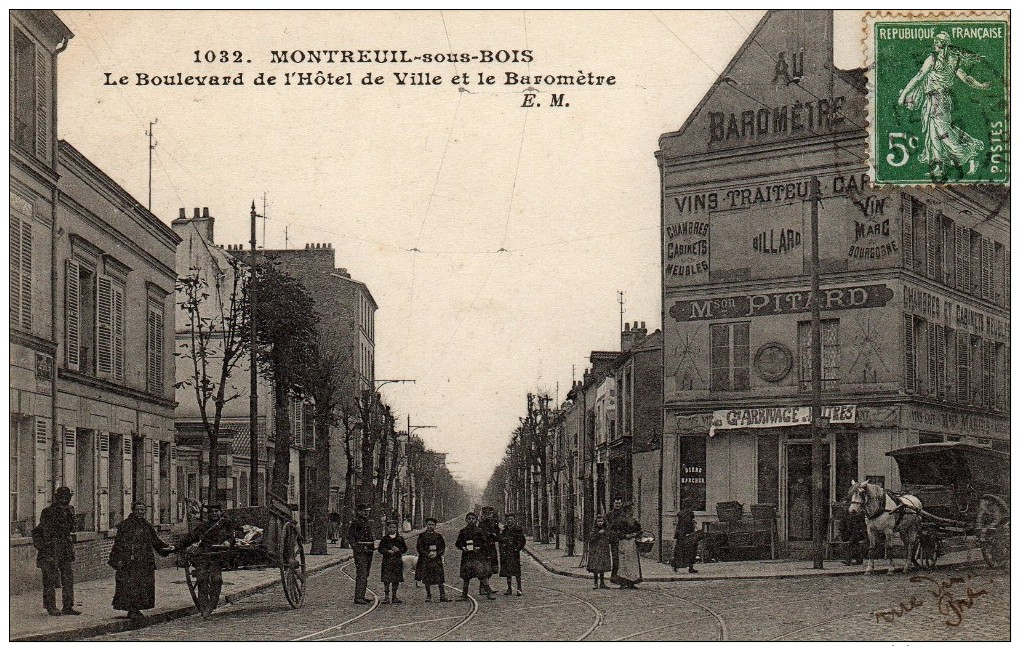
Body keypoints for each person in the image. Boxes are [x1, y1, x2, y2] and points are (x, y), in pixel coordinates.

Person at [898, 32, 991, 177]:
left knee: (943, 133)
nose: (936, 42)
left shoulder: (933, 59)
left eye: (937, 40)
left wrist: (903, 94)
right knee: (933, 132)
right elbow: (966, 78)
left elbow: (918, 77)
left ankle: (971, 155)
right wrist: (981, 86)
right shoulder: (952, 60)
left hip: (937, 99)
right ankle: (938, 167)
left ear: (939, 43)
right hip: (938, 99)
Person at [108, 501, 175, 620]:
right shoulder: (125, 525)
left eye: (142, 510)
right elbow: (118, 544)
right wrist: (118, 559)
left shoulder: (147, 525)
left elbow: (155, 541)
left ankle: (137, 608)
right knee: (130, 585)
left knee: (143, 586)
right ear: (133, 510)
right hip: (130, 561)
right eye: (137, 510)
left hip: (144, 561)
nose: (140, 512)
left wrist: (167, 548)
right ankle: (132, 609)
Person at [176, 503, 241, 619]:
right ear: (208, 514)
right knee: (202, 580)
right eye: (211, 512)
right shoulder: (203, 526)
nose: (214, 514)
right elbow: (191, 537)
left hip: (218, 556)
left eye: (216, 511)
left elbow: (231, 536)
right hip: (204, 556)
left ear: (221, 512)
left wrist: (227, 542)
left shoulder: (226, 524)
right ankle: (204, 607)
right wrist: (177, 546)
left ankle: (212, 605)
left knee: (217, 580)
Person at [33, 486, 80, 616]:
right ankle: (51, 607)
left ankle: (68, 606)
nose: (65, 500)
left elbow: (72, 529)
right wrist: (46, 549)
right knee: (50, 579)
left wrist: (72, 518)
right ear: (57, 498)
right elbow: (45, 530)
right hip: (52, 547)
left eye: (67, 497)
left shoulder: (70, 510)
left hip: (65, 547)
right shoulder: (48, 511)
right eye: (63, 497)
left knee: (68, 578)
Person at [455, 512, 495, 600]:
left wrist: (479, 547)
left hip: (478, 557)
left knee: (483, 575)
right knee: (466, 577)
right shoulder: (463, 531)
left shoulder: (480, 531)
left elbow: (485, 542)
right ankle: (464, 594)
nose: (471, 520)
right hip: (467, 556)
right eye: (469, 518)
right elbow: (458, 543)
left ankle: (489, 593)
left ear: (476, 520)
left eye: (473, 518)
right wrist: (463, 547)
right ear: (466, 520)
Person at [415, 518, 449, 602]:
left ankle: (442, 595)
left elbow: (442, 547)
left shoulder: (438, 536)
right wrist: (427, 554)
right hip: (426, 559)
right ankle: (428, 595)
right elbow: (419, 547)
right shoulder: (422, 536)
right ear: (426, 525)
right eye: (429, 524)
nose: (431, 526)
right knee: (427, 578)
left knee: (440, 578)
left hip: (436, 559)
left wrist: (437, 554)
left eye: (432, 525)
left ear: (435, 526)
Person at [347, 503, 375, 605]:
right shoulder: (355, 523)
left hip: (368, 550)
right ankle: (358, 597)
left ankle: (362, 595)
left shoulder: (368, 522)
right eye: (364, 511)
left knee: (366, 573)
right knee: (362, 573)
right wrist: (356, 547)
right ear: (359, 512)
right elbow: (350, 537)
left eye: (367, 511)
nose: (366, 513)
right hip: (360, 551)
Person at [609, 503, 643, 589]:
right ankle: (623, 582)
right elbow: (614, 531)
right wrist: (624, 536)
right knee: (623, 562)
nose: (632, 511)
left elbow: (640, 530)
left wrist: (636, 534)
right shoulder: (620, 520)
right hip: (623, 542)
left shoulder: (634, 520)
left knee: (631, 563)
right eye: (630, 509)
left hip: (632, 543)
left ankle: (631, 582)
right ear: (626, 510)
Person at [378, 519, 407, 604]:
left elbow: (405, 549)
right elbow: (380, 549)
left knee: (396, 579)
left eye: (394, 527)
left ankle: (394, 596)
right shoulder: (384, 539)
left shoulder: (400, 539)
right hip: (387, 561)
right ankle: (386, 597)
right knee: (386, 580)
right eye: (390, 527)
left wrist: (398, 550)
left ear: (396, 529)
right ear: (387, 528)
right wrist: (387, 551)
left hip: (397, 562)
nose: (392, 529)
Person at [670, 497, 701, 574]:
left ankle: (675, 566)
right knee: (691, 551)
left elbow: (679, 525)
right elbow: (688, 524)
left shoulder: (681, 513)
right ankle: (690, 568)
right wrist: (692, 527)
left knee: (679, 552)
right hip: (687, 535)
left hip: (681, 535)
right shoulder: (689, 513)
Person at [497, 512, 526, 596]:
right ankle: (509, 588)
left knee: (517, 571)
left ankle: (519, 588)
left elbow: (522, 541)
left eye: (511, 519)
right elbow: (501, 540)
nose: (509, 521)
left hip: (514, 553)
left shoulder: (518, 530)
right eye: (508, 519)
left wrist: (517, 548)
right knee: (508, 572)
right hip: (506, 553)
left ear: (514, 520)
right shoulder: (504, 530)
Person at [585, 515, 612, 590]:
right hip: (595, 551)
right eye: (598, 521)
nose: (600, 523)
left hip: (603, 550)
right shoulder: (594, 530)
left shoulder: (606, 530)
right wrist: (598, 533)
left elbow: (608, 537)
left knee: (602, 567)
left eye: (601, 521)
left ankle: (602, 583)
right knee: (596, 567)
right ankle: (596, 583)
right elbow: (591, 539)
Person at [479, 506, 501, 590]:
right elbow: (480, 535)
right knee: (485, 568)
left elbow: (497, 536)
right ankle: (484, 587)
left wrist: (496, 535)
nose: (488, 515)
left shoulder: (494, 524)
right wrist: (489, 535)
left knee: (492, 569)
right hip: (483, 548)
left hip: (491, 548)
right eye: (486, 513)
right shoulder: (481, 524)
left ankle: (484, 587)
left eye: (490, 513)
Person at [604, 497, 625, 582]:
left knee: (622, 559)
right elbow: (606, 526)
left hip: (623, 539)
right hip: (614, 539)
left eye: (619, 503)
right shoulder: (609, 515)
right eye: (616, 503)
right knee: (615, 558)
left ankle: (622, 577)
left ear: (621, 504)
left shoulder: (624, 514)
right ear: (613, 504)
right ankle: (614, 577)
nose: (617, 505)